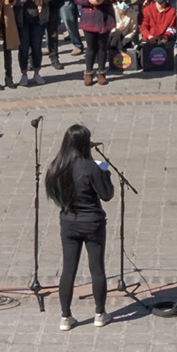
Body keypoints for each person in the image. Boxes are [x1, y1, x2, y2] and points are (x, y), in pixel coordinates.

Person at [44, 122, 116, 328]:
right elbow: (107, 195)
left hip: (68, 223)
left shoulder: (57, 166)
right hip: (92, 223)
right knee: (97, 269)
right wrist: (105, 173)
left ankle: (65, 317)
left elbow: (53, 194)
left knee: (68, 270)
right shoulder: (92, 167)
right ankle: (100, 314)